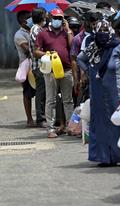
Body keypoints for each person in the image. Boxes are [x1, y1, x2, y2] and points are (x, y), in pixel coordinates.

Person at [77, 20, 120, 166]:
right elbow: (80, 59)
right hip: (98, 92)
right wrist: (89, 72)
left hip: (117, 92)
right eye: (100, 31)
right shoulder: (93, 47)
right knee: (100, 124)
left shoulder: (119, 47)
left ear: (111, 32)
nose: (103, 34)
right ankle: (103, 157)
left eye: (106, 31)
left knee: (118, 122)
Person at [34, 8, 75, 138]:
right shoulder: (43, 33)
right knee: (50, 100)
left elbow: (72, 46)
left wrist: (67, 29)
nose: (57, 20)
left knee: (68, 100)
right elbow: (36, 51)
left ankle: (70, 126)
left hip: (67, 70)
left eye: (60, 18)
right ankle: (50, 129)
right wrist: (47, 54)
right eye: (55, 17)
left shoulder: (66, 33)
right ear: (51, 18)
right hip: (50, 71)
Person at [14, 11, 36, 128]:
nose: (31, 19)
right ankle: (29, 119)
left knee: (42, 92)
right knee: (28, 92)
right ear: (23, 21)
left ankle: (41, 117)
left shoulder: (34, 30)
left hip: (38, 64)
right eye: (29, 18)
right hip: (27, 67)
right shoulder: (19, 35)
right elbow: (27, 49)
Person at [29, 8, 47, 128]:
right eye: (45, 16)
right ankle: (40, 119)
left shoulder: (39, 29)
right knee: (41, 92)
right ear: (42, 17)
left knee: (44, 92)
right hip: (39, 65)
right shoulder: (36, 30)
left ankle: (43, 116)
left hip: (42, 65)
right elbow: (38, 49)